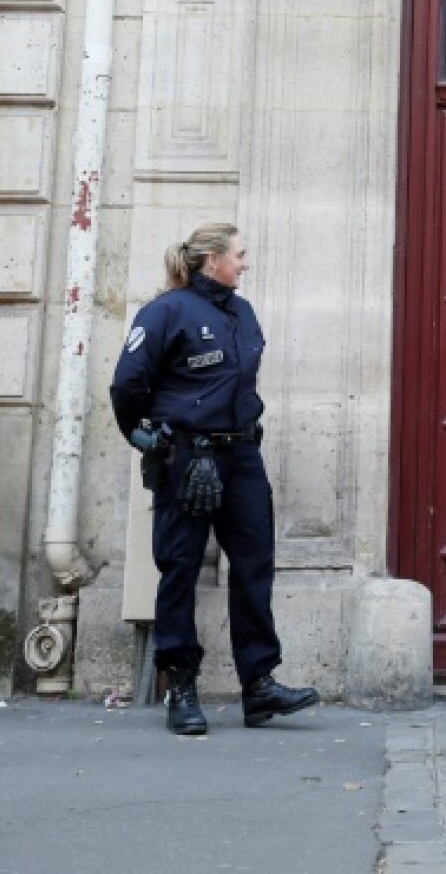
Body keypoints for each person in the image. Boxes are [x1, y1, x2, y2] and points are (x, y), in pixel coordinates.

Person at [110, 223, 319, 736]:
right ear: (211, 260)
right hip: (189, 457)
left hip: (241, 455)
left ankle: (259, 685)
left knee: (253, 566)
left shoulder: (240, 312)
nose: (245, 263)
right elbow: (126, 383)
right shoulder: (166, 311)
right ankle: (181, 686)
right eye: (239, 255)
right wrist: (147, 438)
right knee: (180, 567)